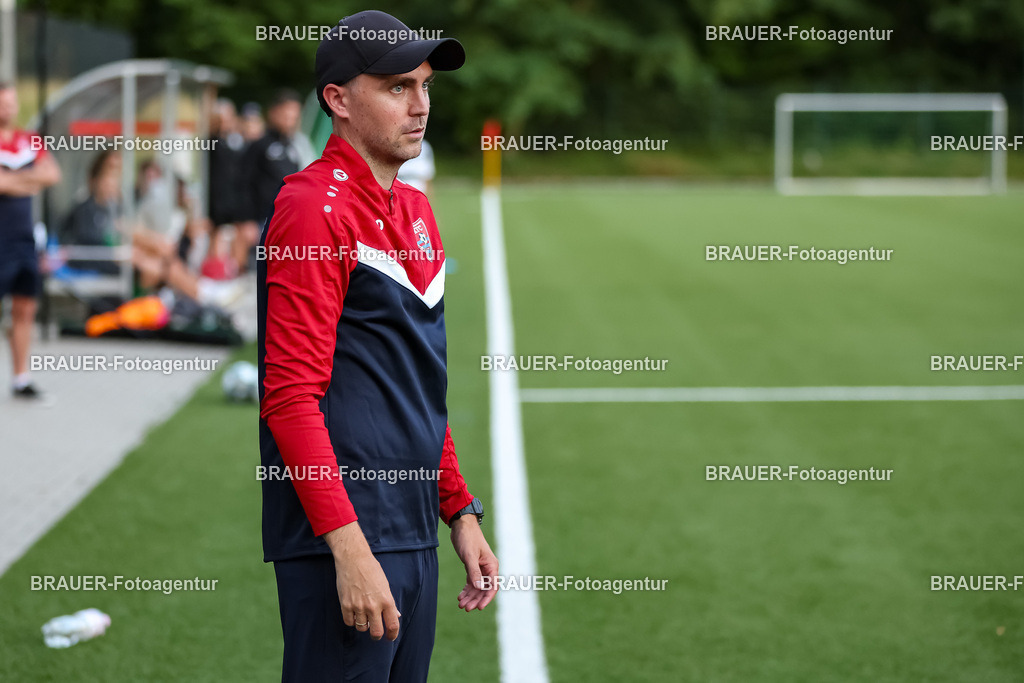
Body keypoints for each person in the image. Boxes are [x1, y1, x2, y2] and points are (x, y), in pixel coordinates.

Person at [258, 11, 497, 682]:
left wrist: (460, 508)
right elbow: (288, 396)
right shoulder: (311, 207)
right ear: (337, 99)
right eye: (397, 87)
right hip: (349, 537)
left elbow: (420, 382)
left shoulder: (415, 210)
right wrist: (348, 546)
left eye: (424, 86)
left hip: (414, 527)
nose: (420, 104)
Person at [0, 82, 61, 399]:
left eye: (11, 102)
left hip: (24, 239)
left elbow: (51, 175)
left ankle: (21, 377)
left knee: (24, 307)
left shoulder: (28, 140)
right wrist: (29, 180)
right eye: (2, 103)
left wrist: (13, 181)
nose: (8, 108)